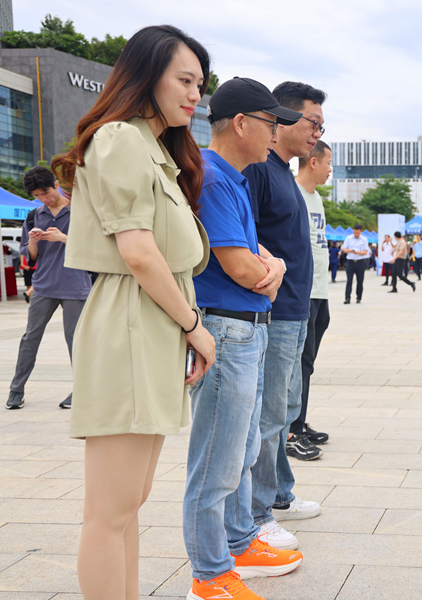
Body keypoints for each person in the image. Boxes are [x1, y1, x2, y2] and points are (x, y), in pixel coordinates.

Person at [53, 26, 216, 600]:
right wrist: (196, 329)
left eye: (201, 83)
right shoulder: (120, 138)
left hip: (149, 322)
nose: (196, 94)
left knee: (129, 504)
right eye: (185, 80)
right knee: (109, 510)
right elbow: (140, 254)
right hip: (131, 320)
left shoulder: (154, 146)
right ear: (146, 75)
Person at [185, 76, 303, 599]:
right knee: (216, 459)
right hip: (226, 330)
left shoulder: (235, 178)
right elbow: (242, 266)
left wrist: (268, 266)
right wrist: (266, 268)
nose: (276, 132)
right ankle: (209, 574)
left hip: (247, 330)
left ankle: (238, 541)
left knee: (242, 447)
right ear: (240, 124)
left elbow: (265, 257)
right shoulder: (212, 177)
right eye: (271, 122)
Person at [242, 81, 327, 553]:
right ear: (284, 118)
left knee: (285, 411)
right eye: (313, 123)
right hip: (273, 311)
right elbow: (244, 237)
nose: (317, 133)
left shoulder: (286, 175)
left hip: (296, 309)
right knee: (270, 415)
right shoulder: (260, 171)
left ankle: (279, 492)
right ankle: (257, 515)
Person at [6, 166, 91, 410]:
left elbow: (94, 246)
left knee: (75, 340)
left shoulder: (81, 209)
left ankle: (81, 392)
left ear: (55, 183)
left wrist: (63, 238)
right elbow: (31, 257)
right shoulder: (35, 215)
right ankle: (16, 390)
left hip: (75, 284)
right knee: (30, 338)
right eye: (37, 195)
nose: (44, 198)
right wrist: (33, 240)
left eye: (45, 192)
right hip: (43, 285)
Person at [286, 139, 333, 463]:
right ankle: (290, 430)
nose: (331, 169)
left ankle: (299, 421)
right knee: (297, 365)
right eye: (328, 163)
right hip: (301, 292)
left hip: (320, 291)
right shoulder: (294, 193)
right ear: (313, 162)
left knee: (307, 364)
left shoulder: (316, 198)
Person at [342, 224, 370, 303]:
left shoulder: (364, 239)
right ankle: (347, 298)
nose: (356, 234)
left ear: (361, 231)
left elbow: (365, 252)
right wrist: (350, 250)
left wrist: (358, 252)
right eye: (355, 233)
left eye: (357, 233)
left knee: (360, 281)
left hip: (360, 262)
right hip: (350, 262)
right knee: (349, 281)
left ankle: (358, 297)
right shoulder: (349, 238)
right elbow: (344, 249)